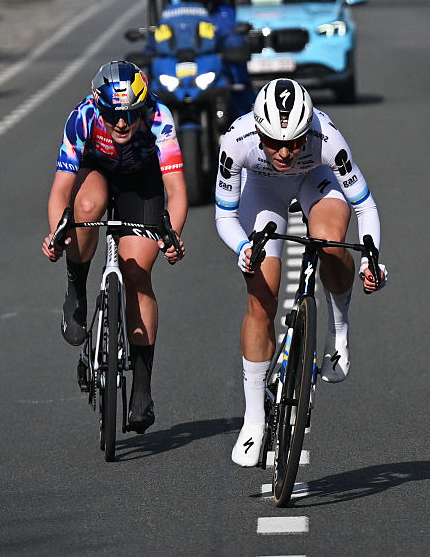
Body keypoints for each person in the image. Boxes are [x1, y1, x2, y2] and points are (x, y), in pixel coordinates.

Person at [216, 78, 386, 466]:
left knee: (329, 240)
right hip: (262, 193)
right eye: (274, 142)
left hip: (317, 183)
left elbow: (365, 205)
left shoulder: (327, 136)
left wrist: (370, 256)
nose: (285, 152)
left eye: (294, 142)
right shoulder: (236, 140)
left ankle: (338, 327)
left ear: (307, 130)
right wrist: (244, 247)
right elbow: (225, 215)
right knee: (262, 301)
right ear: (258, 130)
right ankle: (254, 419)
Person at [42, 61, 187, 434]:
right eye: (112, 115)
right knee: (86, 207)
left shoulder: (160, 118)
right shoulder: (82, 118)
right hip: (97, 174)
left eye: (131, 114)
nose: (122, 124)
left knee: (137, 273)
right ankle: (77, 286)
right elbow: (61, 190)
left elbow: (176, 191)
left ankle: (141, 385)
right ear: (97, 105)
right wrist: (57, 234)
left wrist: (172, 234)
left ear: (144, 107)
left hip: (143, 181)